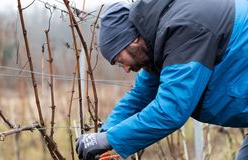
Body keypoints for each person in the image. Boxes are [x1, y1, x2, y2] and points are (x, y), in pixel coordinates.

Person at [76, 0, 248, 159]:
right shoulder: (160, 43)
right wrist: (104, 133)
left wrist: (108, 139)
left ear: (133, 40)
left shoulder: (184, 30)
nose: (127, 69)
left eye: (121, 61)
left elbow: (171, 109)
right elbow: (141, 96)